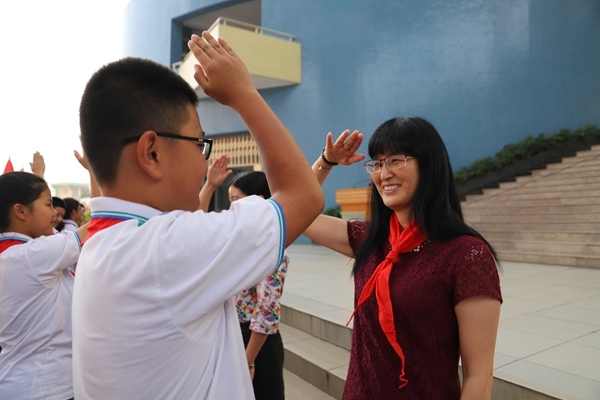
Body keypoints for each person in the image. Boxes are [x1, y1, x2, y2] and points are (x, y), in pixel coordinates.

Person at [72, 31, 323, 400]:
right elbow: (304, 196)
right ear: (152, 153)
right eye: (199, 143)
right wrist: (244, 95)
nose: (204, 163)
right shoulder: (165, 249)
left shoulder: (103, 245)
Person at [303, 119, 503, 399]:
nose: (383, 174)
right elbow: (297, 211)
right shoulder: (369, 240)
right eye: (377, 163)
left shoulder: (467, 255)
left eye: (395, 160)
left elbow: (478, 376)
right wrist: (326, 162)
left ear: (429, 165)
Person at [200, 162, 287, 400]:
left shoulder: (270, 247)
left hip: (258, 344)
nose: (232, 208)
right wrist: (209, 185)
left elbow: (267, 312)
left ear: (258, 201)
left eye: (236, 200)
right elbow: (197, 227)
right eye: (230, 201)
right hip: (236, 336)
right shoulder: (237, 241)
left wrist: (248, 361)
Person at [0, 171, 89, 400]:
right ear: (20, 211)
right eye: (48, 204)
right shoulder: (31, 256)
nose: (55, 213)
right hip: (44, 388)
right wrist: (99, 170)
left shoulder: (15, 255)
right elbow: (98, 227)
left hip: (27, 384)